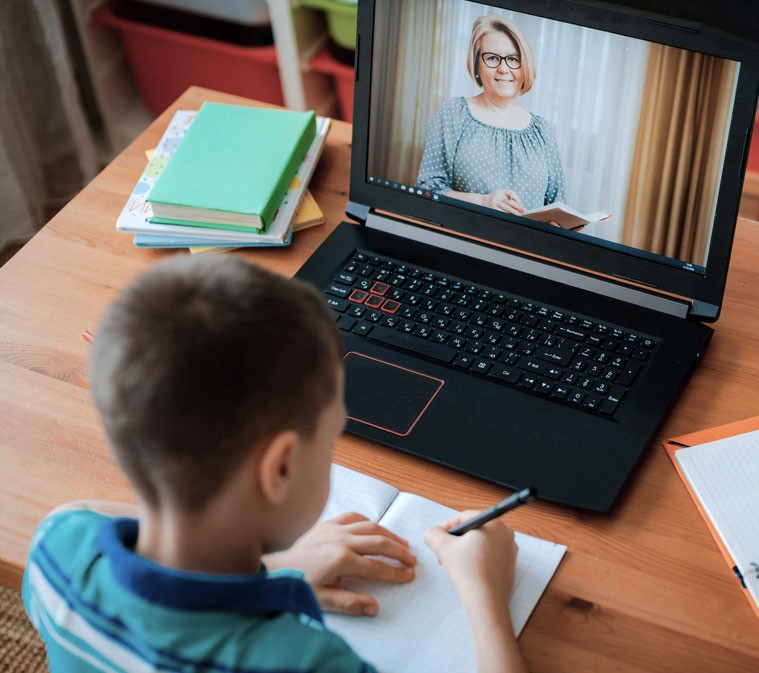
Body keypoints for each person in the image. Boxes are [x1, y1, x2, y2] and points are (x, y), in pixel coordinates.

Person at [21, 255, 526, 673]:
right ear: (280, 469)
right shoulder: (304, 662)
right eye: (331, 438)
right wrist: (486, 594)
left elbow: (81, 509)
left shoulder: (57, 549)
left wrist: (274, 569)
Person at [417, 14, 566, 217]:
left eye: (513, 59)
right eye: (492, 58)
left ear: (525, 67)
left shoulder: (543, 130)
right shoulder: (453, 113)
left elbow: (556, 204)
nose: (503, 68)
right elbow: (427, 191)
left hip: (523, 246)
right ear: (477, 64)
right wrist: (482, 201)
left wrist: (565, 223)